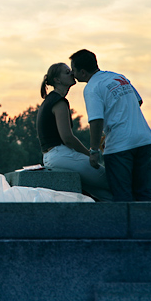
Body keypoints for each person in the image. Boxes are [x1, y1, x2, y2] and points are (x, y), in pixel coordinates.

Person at [69, 49, 151, 201]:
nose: (72, 74)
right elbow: (138, 101)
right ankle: (147, 224)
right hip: (145, 140)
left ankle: (127, 225)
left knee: (122, 196)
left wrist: (94, 150)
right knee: (144, 193)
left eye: (74, 70)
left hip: (119, 146)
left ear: (83, 72)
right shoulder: (118, 77)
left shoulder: (91, 88)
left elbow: (96, 120)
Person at [37, 63, 113, 201]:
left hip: (52, 157)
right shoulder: (59, 102)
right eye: (67, 72)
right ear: (57, 80)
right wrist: (90, 154)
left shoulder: (49, 100)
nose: (72, 73)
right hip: (61, 156)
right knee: (113, 180)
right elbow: (67, 138)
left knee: (103, 194)